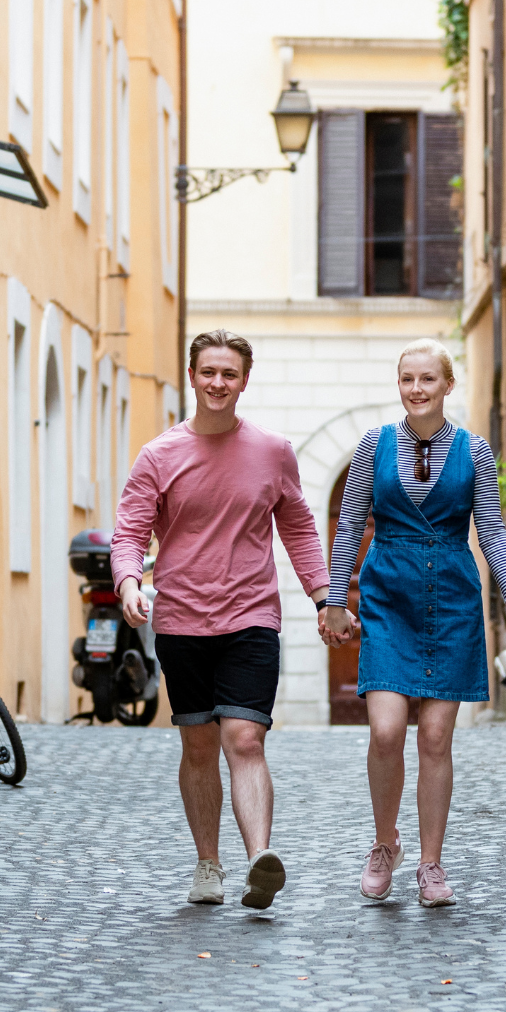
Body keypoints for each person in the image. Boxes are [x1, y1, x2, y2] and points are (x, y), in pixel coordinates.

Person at [112, 330, 334, 909]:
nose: (218, 383)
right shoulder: (160, 455)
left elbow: (300, 528)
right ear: (192, 376)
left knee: (245, 738)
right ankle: (207, 863)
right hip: (182, 619)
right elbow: (131, 531)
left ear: (244, 381)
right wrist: (130, 582)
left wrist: (322, 594)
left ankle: (259, 857)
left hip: (251, 616)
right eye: (208, 372)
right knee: (198, 746)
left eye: (229, 374)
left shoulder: (272, 451)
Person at [322, 339, 506, 907]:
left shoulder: (477, 452)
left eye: (427, 379)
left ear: (447, 386)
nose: (416, 389)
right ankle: (383, 843)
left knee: (436, 737)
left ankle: (431, 864)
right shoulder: (374, 445)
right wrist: (335, 600)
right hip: (389, 597)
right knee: (387, 732)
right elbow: (348, 526)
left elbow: (490, 531)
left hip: (453, 600)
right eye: (407, 379)